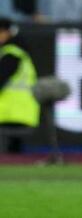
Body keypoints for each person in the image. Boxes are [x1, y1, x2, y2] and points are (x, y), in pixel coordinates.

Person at [0, 17, 39, 153]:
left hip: (9, 113)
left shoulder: (11, 54)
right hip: (21, 113)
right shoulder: (20, 53)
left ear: (7, 32)